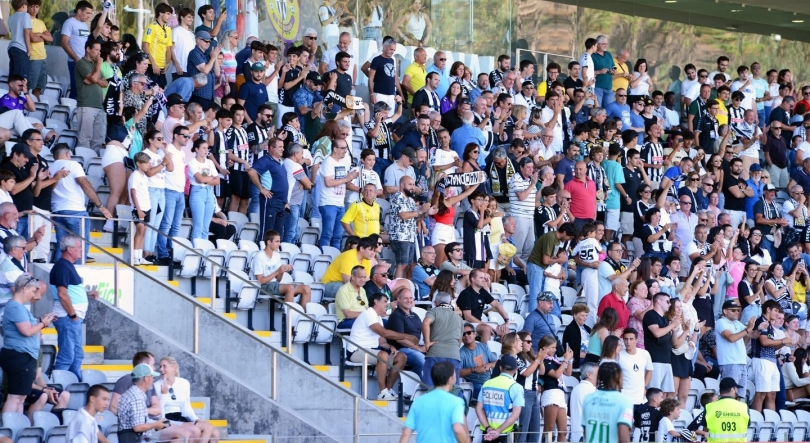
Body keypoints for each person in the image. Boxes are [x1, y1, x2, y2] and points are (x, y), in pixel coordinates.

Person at [347, 292, 417, 400]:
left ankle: (388, 390)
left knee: (401, 357)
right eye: (385, 302)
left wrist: (390, 347)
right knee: (383, 355)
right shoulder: (368, 313)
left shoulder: (377, 317)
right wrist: (407, 336)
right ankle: (382, 392)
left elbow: (381, 341)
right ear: (376, 302)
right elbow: (384, 333)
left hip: (373, 350)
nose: (387, 305)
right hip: (356, 351)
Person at [0, 275, 54, 414]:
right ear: (24, 289)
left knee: (20, 398)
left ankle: (16, 428)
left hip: (23, 356)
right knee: (15, 397)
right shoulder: (16, 307)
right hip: (19, 356)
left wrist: (41, 321)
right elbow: (27, 331)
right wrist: (43, 324)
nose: (34, 295)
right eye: (33, 290)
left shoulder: (19, 307)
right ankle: (8, 427)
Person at [50, 144, 112, 262]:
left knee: (62, 247)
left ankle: (59, 277)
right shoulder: (73, 164)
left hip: (58, 211)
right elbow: (85, 185)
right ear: (68, 154)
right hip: (75, 211)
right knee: (79, 246)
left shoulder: (51, 167)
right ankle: (76, 275)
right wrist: (100, 206)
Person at [51, 235, 99, 380]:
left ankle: (74, 388)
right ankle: (58, 390)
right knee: (67, 356)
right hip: (68, 318)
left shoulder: (66, 265)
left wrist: (86, 294)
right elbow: (62, 294)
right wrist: (72, 315)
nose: (81, 250)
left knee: (77, 355)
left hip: (71, 319)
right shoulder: (62, 266)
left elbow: (69, 290)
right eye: (78, 247)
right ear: (70, 249)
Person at [153, 357, 220, 441]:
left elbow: (186, 406)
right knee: (195, 431)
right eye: (160, 366)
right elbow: (158, 410)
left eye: (164, 366)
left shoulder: (184, 383)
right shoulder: (156, 386)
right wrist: (164, 393)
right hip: (166, 418)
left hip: (180, 417)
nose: (161, 369)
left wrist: (196, 419)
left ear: (174, 368)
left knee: (214, 433)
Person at [399, 361, 468, 443]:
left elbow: (406, 433)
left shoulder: (418, 401)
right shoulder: (456, 402)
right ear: (451, 379)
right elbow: (458, 429)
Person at [116, 364, 179, 442]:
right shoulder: (136, 397)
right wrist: (156, 425)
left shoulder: (134, 393)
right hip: (133, 439)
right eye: (152, 377)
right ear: (146, 378)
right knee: (180, 433)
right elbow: (137, 427)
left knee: (177, 431)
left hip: (133, 437)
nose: (153, 380)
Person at [526, 222, 576, 315]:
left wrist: (560, 266)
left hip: (541, 268)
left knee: (540, 296)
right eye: (570, 237)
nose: (569, 239)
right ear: (564, 232)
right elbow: (546, 260)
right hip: (536, 266)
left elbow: (551, 258)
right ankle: (533, 319)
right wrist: (559, 259)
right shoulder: (551, 237)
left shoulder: (557, 240)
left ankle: (539, 319)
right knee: (535, 295)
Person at [254, 230, 311, 309]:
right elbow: (260, 281)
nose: (279, 244)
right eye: (277, 241)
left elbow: (278, 280)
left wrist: (282, 271)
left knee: (306, 288)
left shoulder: (277, 255)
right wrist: (277, 271)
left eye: (279, 241)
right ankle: (289, 318)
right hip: (263, 287)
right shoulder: (259, 256)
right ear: (269, 242)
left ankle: (303, 319)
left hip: (274, 284)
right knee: (290, 288)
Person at [475, 354, 524, 442]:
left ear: (500, 368)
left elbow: (478, 408)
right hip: (506, 434)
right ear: (516, 370)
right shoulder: (516, 387)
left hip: (487, 433)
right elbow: (516, 414)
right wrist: (498, 431)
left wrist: (488, 428)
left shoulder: (487, 383)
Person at [581, 362, 633, 443]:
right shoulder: (625, 401)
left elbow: (586, 432)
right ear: (618, 378)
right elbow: (623, 439)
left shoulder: (588, 399)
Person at [752, 299, 789, 412]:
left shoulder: (768, 324)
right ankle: (756, 422)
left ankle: (770, 424)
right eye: (776, 310)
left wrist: (784, 343)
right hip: (762, 360)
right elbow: (764, 342)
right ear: (768, 309)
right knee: (761, 394)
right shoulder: (761, 321)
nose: (777, 314)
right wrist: (782, 340)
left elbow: (771, 347)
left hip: (771, 361)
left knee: (772, 395)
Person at [421, 291, 464, 386]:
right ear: (449, 302)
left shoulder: (434, 311)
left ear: (435, 302)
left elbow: (425, 323)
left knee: (430, 389)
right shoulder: (459, 318)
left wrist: (427, 343)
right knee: (454, 390)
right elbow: (459, 341)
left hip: (435, 353)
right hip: (454, 355)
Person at [716, 299, 756, 401]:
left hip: (741, 363)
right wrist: (748, 328)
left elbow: (753, 335)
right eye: (733, 310)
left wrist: (760, 327)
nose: (737, 312)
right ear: (725, 311)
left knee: (739, 396)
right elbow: (731, 338)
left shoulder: (737, 323)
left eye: (738, 310)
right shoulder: (721, 322)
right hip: (730, 363)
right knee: (729, 395)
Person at [457, 269, 510, 342]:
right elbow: (467, 316)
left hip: (478, 323)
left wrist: (506, 320)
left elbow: (496, 305)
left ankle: (502, 353)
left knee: (504, 330)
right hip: (466, 323)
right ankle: (484, 352)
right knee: (486, 329)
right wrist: (485, 324)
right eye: (481, 278)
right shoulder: (466, 294)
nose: (484, 280)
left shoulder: (482, 292)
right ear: (473, 279)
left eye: (484, 278)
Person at [644, 292, 679, 397]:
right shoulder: (650, 315)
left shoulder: (665, 319)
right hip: (655, 360)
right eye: (668, 301)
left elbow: (674, 344)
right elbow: (657, 333)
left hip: (666, 360)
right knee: (654, 393)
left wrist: (675, 331)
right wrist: (672, 324)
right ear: (659, 301)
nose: (669, 304)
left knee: (664, 394)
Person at [187, 139, 219, 240]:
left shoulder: (209, 162)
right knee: (198, 226)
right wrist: (210, 178)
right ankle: (196, 251)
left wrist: (206, 180)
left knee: (206, 227)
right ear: (197, 149)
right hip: (197, 192)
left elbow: (218, 180)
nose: (206, 150)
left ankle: (203, 251)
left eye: (207, 148)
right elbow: (199, 179)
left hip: (209, 192)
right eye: (204, 148)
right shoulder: (192, 162)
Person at [702, 377, 749, 442]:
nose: (737, 391)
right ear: (732, 390)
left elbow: (705, 429)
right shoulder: (744, 407)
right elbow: (746, 425)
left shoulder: (709, 407)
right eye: (736, 389)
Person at [619, 327, 654, 405]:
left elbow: (649, 370)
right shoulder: (619, 355)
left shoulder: (644, 353)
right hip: (624, 397)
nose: (628, 342)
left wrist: (644, 386)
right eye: (626, 339)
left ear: (636, 340)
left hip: (640, 398)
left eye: (631, 339)